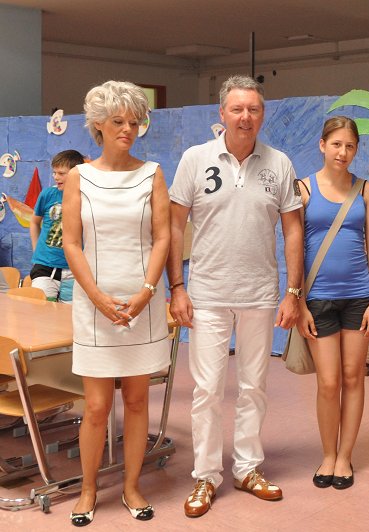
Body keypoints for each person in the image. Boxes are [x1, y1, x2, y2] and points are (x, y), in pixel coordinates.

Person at [167, 75, 304, 518]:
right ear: (222, 113)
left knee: (253, 387)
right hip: (206, 294)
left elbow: (293, 230)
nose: (246, 117)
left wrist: (293, 292)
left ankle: (247, 468)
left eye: (254, 109)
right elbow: (174, 226)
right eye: (237, 109)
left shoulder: (279, 163)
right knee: (207, 389)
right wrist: (177, 287)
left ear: (263, 115)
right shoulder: (195, 159)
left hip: (260, 294)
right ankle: (206, 476)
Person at [62, 81, 171, 526]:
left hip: (142, 303)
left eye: (134, 121)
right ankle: (88, 490)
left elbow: (163, 237)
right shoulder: (79, 177)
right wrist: (95, 296)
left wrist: (147, 292)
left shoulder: (153, 173)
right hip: (94, 305)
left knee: (139, 402)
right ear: (99, 126)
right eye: (118, 121)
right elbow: (71, 242)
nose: (128, 129)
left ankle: (131, 486)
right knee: (96, 406)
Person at [294, 116, 369, 489]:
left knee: (353, 377)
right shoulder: (303, 188)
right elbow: (294, 249)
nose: (342, 152)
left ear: (356, 149)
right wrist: (298, 302)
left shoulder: (365, 190)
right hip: (318, 299)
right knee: (329, 383)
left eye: (349, 146)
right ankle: (328, 454)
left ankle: (345, 456)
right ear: (322, 145)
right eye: (336, 144)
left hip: (359, 297)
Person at [29, 150, 85, 302]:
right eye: (54, 172)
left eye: (61, 173)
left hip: (74, 268)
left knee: (69, 312)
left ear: (76, 174)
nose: (55, 177)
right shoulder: (48, 194)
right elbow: (34, 222)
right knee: (41, 309)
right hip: (44, 266)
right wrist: (36, 250)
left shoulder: (86, 198)